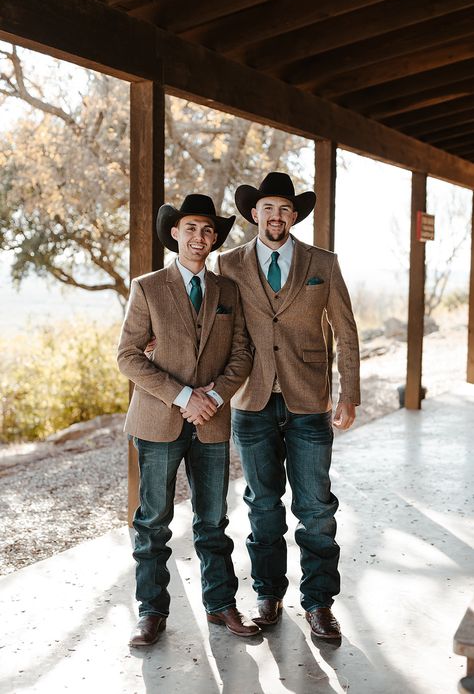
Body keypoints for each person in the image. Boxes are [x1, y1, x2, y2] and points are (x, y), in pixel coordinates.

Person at [216, 172, 360, 639]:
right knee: (262, 505)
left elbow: (345, 329)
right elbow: (208, 325)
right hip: (251, 400)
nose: (276, 216)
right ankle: (268, 593)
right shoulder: (229, 264)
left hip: (309, 400)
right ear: (253, 213)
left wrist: (349, 392)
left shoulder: (323, 261)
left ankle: (319, 603)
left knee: (316, 507)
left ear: (293, 215)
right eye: (267, 208)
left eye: (284, 209)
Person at [117, 193, 260, 646]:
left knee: (213, 520)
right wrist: (182, 397)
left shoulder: (228, 292)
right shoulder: (148, 287)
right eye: (192, 228)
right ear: (175, 233)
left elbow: (242, 354)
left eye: (208, 231)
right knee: (153, 521)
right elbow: (127, 357)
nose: (200, 237)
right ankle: (151, 611)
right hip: (158, 422)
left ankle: (221, 606)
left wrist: (213, 396)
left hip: (212, 422)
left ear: (215, 239)